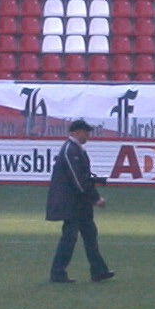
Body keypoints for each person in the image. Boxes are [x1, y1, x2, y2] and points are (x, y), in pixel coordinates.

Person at [45, 119, 113, 283]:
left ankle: (98, 270)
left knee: (89, 234)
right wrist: (95, 198)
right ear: (75, 132)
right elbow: (77, 179)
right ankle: (58, 272)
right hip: (71, 203)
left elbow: (81, 177)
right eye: (85, 131)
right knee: (70, 237)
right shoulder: (71, 150)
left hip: (78, 203)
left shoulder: (75, 149)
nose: (87, 134)